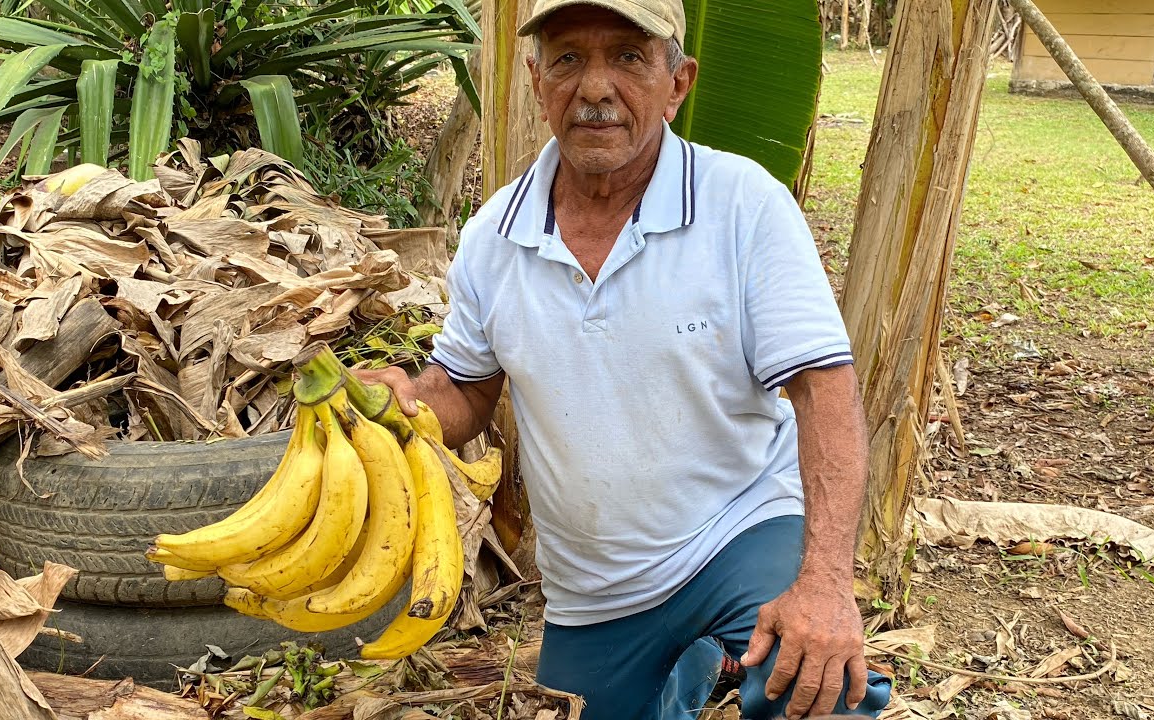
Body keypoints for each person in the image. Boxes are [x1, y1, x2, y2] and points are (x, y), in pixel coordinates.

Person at [356, 0, 893, 717]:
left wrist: (826, 581)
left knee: (815, 690)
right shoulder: (496, 235)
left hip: (738, 532)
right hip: (596, 591)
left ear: (678, 83)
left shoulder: (742, 205)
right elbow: (466, 387)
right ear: (536, 78)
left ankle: (738, 653)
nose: (596, 88)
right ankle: (699, 667)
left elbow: (823, 388)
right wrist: (407, 404)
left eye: (629, 57)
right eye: (569, 58)